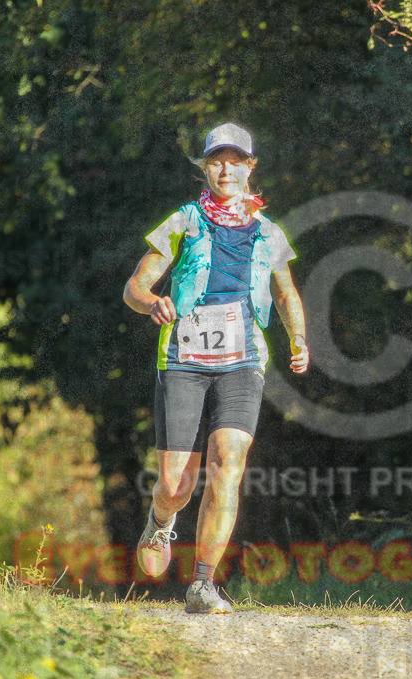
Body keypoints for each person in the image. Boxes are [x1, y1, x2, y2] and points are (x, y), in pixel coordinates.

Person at [123, 123, 308, 614]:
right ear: (206, 168)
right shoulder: (182, 221)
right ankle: (161, 521)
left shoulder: (270, 232)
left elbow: (287, 292)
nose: (225, 169)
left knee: (228, 461)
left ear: (250, 167)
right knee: (177, 484)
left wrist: (299, 340)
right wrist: (151, 304)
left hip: (242, 360)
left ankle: (203, 583)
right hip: (183, 359)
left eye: (235, 160)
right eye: (216, 160)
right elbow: (135, 287)